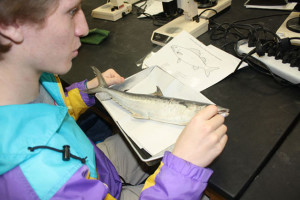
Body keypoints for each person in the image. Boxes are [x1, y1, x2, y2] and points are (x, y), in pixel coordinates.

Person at [0, 0, 228, 199]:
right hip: (82, 182)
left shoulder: (32, 78)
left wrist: (83, 92)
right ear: (11, 25)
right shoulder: (42, 179)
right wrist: (183, 169)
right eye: (71, 11)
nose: (84, 28)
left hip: (92, 161)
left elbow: (51, 113)